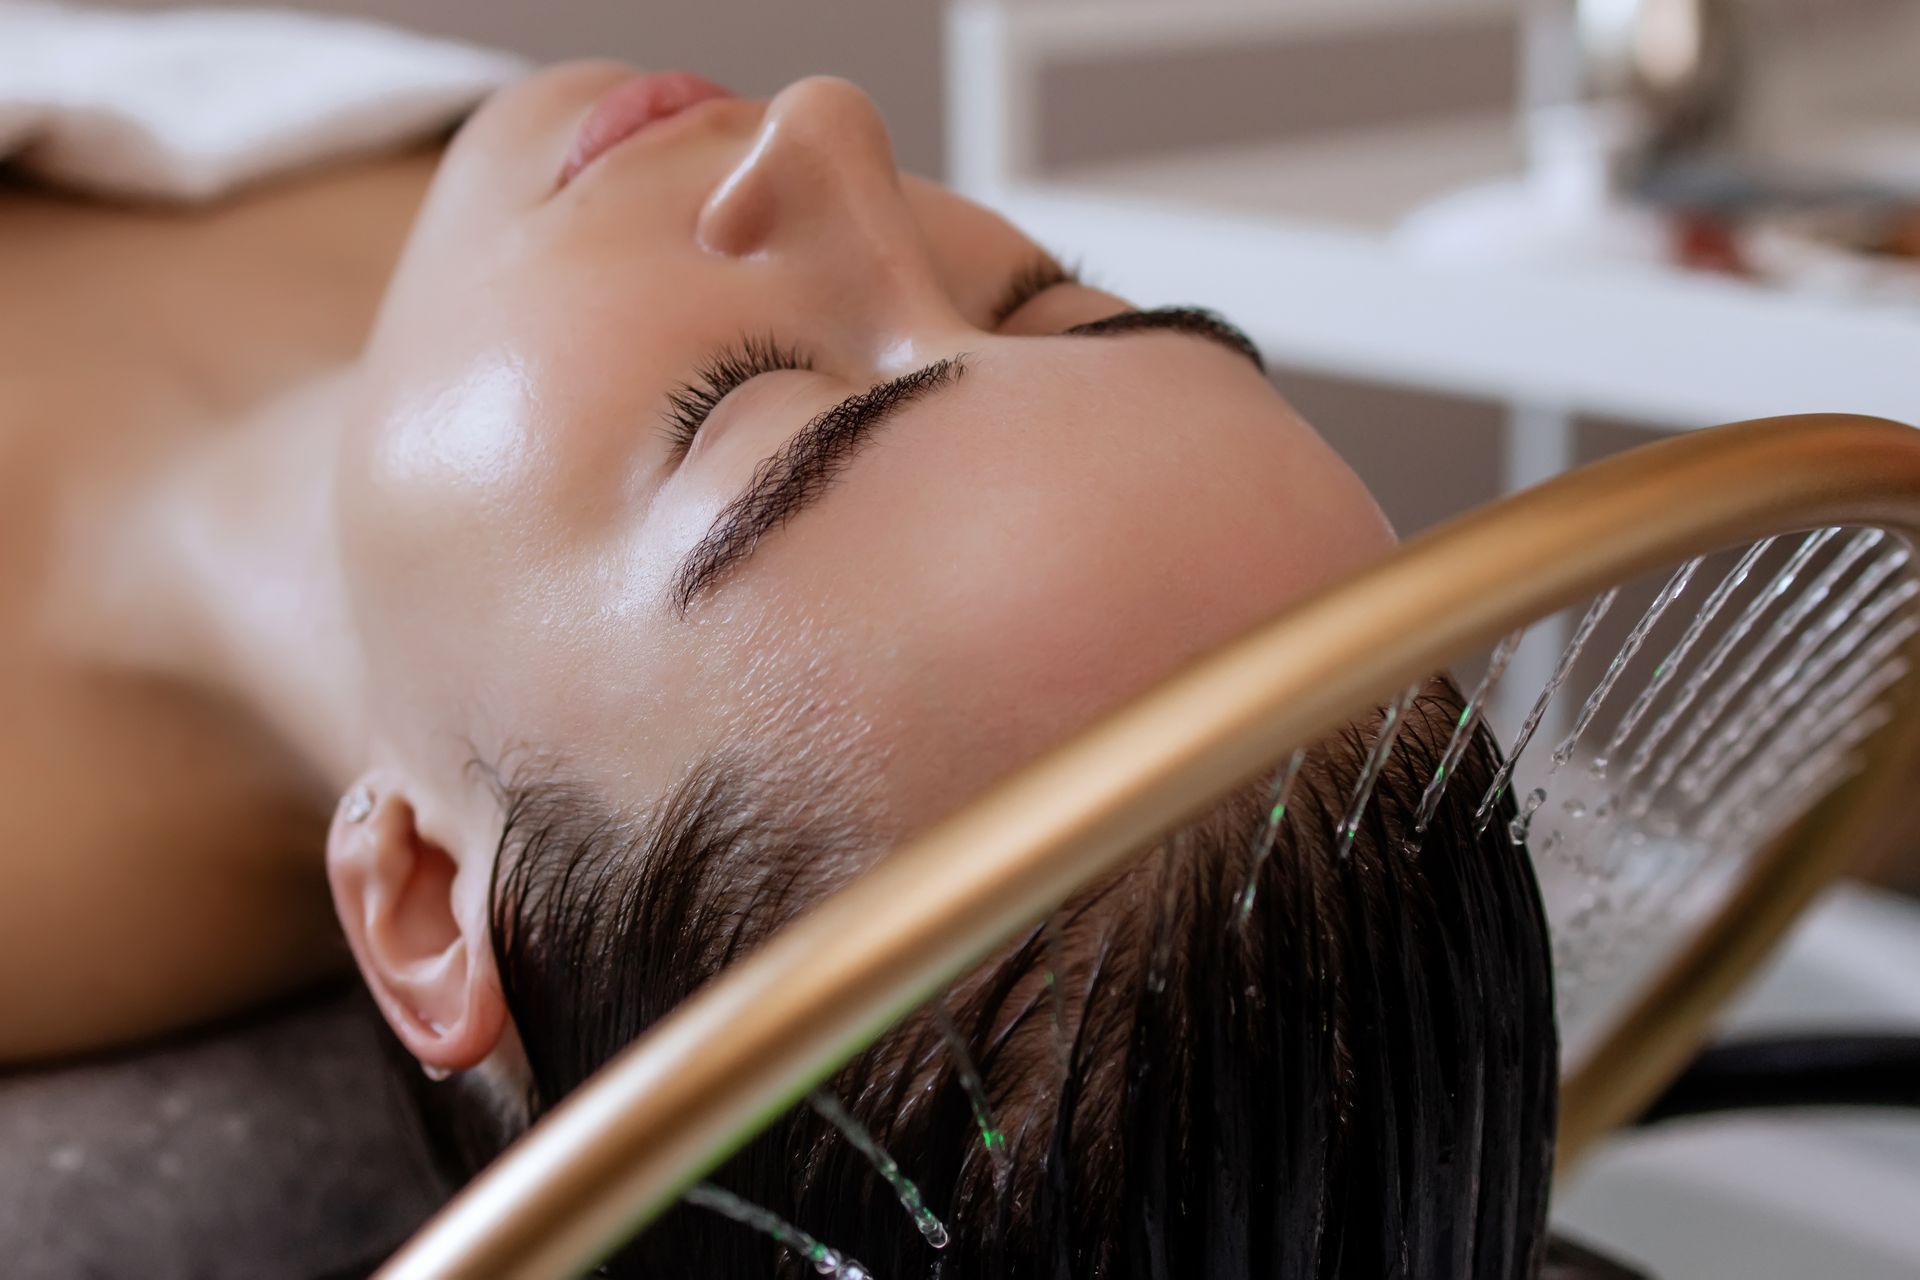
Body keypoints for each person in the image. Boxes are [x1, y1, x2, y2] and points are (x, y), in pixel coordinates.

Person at [1, 62, 1556, 1275]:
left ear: (421, 897)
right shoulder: (526, 210)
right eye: (1061, 301)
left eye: (748, 411)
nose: (833, 129)